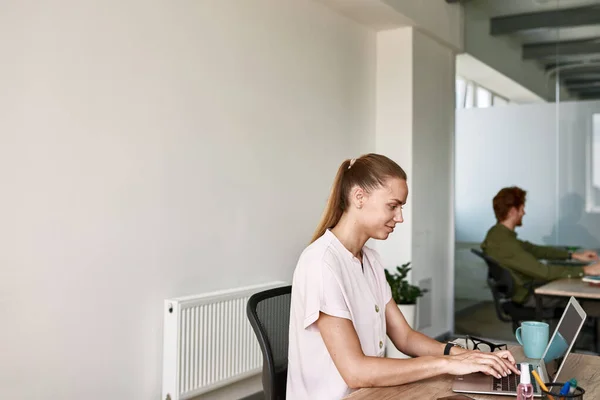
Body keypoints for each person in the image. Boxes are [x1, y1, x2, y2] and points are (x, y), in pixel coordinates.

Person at [286, 154, 519, 400]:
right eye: (393, 205)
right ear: (359, 197)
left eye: (401, 207)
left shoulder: (370, 260)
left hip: (372, 393)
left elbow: (405, 337)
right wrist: (448, 365)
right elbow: (356, 371)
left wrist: (459, 354)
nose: (400, 217)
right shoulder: (321, 263)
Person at [481, 186, 600, 307]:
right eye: (522, 209)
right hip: (529, 296)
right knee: (587, 300)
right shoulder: (505, 244)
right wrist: (586, 270)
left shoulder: (497, 234)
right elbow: (544, 272)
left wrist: (573, 255)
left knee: (572, 283)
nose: (524, 213)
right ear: (512, 211)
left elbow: (535, 250)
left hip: (526, 289)